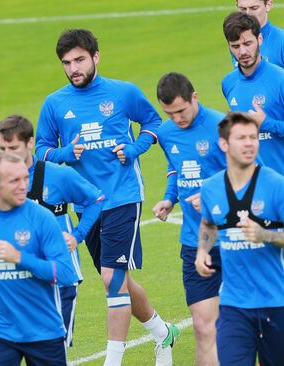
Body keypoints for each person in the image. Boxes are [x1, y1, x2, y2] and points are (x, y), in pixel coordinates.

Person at [35, 29, 178, 366]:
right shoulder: (55, 103)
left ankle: (112, 361)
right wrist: (66, 152)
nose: (74, 68)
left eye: (80, 59)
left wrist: (134, 148)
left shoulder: (123, 93)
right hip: (86, 204)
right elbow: (41, 150)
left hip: (123, 195)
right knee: (119, 278)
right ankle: (162, 332)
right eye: (67, 63)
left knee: (111, 278)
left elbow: (155, 123)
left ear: (95, 57)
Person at [0, 114, 103, 347]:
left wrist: (77, 236)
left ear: (30, 143)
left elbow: (96, 199)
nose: (7, 154)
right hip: (12, 281)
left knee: (53, 352)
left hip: (58, 280)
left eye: (13, 147)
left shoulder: (59, 175)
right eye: (2, 148)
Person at [0, 153, 79, 365]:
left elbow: (65, 273)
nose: (23, 185)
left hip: (43, 329)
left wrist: (20, 258)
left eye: (25, 178)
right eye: (14, 180)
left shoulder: (43, 218)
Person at [195, 111, 284, 366]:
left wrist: (265, 234)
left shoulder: (276, 185)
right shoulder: (211, 187)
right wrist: (203, 251)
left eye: (253, 137)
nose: (249, 144)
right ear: (224, 144)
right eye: (241, 138)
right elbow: (209, 223)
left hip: (276, 303)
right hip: (234, 306)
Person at [153, 73, 227, 366]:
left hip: (232, 240)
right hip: (193, 242)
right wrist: (170, 198)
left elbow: (248, 175)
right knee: (202, 326)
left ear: (194, 97)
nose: (177, 119)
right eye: (169, 113)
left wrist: (211, 192)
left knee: (245, 328)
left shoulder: (223, 127)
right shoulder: (166, 132)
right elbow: (178, 169)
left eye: (181, 111)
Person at [222, 12, 284, 175]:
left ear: (260, 40)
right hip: (252, 185)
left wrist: (267, 123)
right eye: (235, 46)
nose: (242, 51)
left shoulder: (280, 79)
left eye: (248, 43)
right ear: (229, 46)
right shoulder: (228, 83)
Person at [232, 0, 284, 68]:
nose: (248, 14)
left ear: (268, 5)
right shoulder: (236, 41)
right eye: (243, 9)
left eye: (254, 8)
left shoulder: (281, 40)